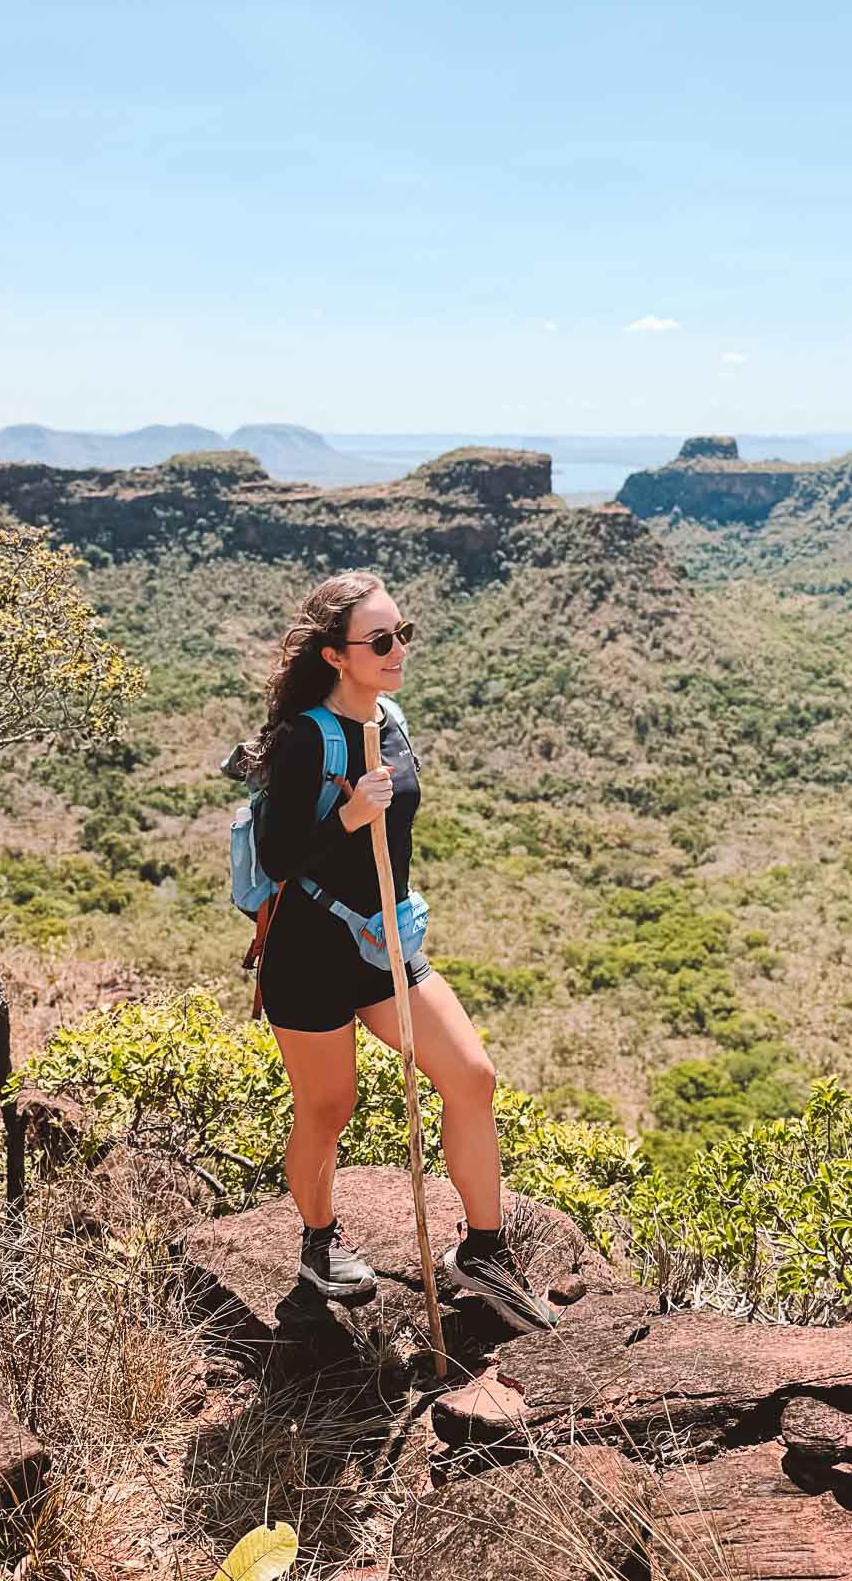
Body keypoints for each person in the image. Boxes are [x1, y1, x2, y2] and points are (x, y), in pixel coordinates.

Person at [250, 566, 556, 1332]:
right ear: (335, 656)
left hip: (380, 947)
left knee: (472, 1077)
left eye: (402, 634)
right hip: (307, 955)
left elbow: (403, 842)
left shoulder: (391, 720)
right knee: (328, 1106)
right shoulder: (304, 741)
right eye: (381, 639)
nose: (398, 649)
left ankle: (482, 1250)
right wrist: (349, 818)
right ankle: (320, 1244)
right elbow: (279, 855)